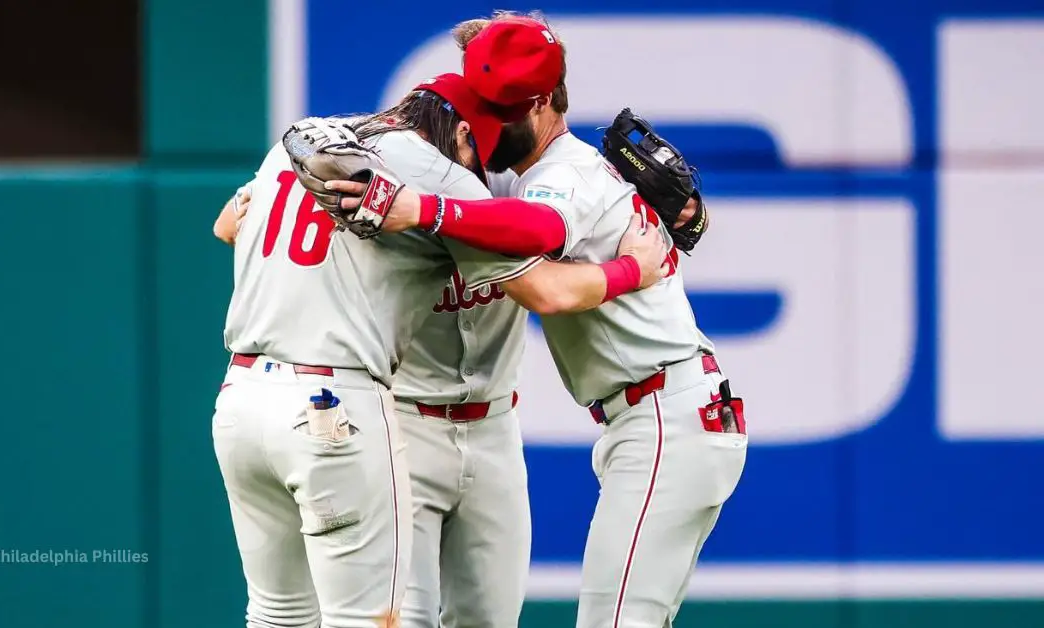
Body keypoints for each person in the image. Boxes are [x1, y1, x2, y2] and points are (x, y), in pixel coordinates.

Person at [303, 11, 746, 628]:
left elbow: (545, 265)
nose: (479, 120)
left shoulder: (563, 173)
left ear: (542, 103)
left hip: (668, 414)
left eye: (500, 108)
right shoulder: (534, 172)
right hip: (657, 414)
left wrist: (419, 208)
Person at [211, 40, 668, 628]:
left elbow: (228, 223)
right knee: (366, 619)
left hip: (242, 402)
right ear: (463, 135)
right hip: (338, 402)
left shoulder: (306, 140)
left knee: (278, 617)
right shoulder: (444, 175)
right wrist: (632, 268)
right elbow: (545, 284)